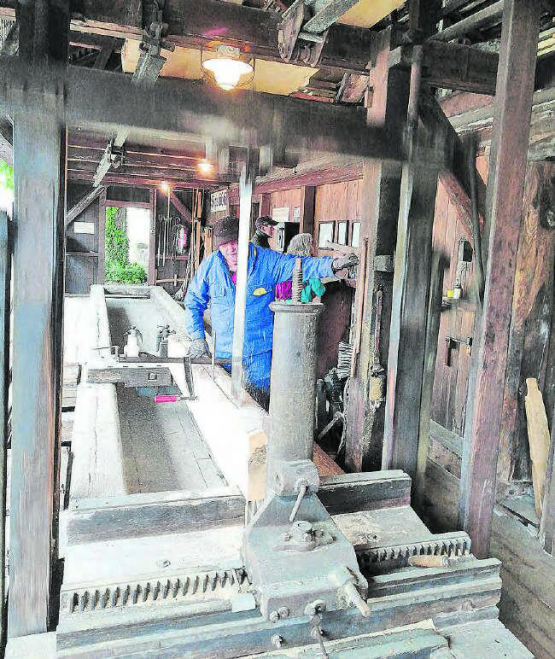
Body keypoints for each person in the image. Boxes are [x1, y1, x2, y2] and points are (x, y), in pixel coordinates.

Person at [184, 217, 358, 407]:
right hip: (225, 355)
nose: (231, 249)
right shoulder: (210, 266)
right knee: (225, 406)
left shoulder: (267, 261)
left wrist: (333, 265)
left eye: (235, 242)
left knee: (260, 408)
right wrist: (198, 338)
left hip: (259, 357)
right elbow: (193, 301)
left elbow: (301, 264)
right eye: (224, 245)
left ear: (244, 239)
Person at [275, 233, 326, 303]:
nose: (315, 247)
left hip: (285, 303)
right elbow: (319, 291)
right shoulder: (310, 265)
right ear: (307, 247)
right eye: (312, 244)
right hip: (301, 304)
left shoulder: (287, 262)